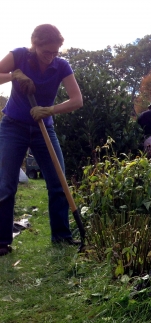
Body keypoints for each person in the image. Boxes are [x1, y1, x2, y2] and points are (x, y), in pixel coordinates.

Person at [0, 24, 83, 256]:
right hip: (13, 127)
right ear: (34, 45)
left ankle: (62, 237)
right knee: (6, 185)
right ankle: (2, 241)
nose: (51, 57)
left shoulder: (61, 66)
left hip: (43, 128)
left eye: (55, 52)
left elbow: (77, 100)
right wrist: (12, 75)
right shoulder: (19, 56)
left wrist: (49, 110)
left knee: (58, 183)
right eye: (46, 52)